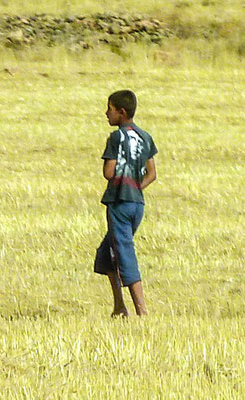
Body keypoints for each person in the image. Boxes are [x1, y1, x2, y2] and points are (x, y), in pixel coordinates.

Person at [94, 90, 158, 317]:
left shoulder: (115, 138)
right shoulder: (145, 136)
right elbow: (152, 173)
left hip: (119, 201)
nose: (106, 113)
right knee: (106, 253)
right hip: (136, 204)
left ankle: (142, 312)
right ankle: (119, 307)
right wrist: (136, 187)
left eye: (109, 109)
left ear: (121, 112)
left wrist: (120, 182)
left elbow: (108, 172)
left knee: (123, 252)